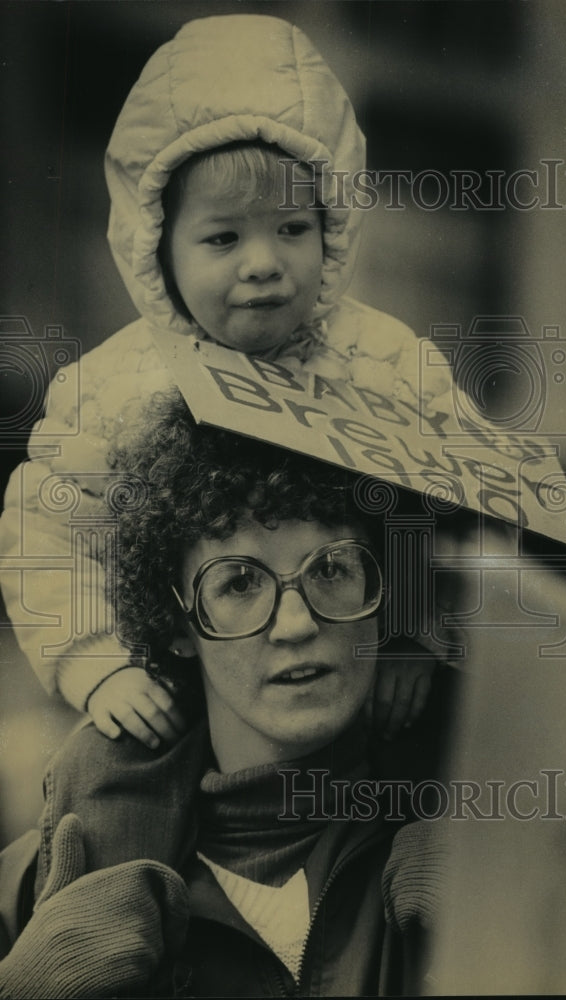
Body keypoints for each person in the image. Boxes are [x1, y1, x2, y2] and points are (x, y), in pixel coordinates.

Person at [0, 13, 452, 749]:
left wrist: (412, 634)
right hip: (173, 690)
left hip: (349, 676)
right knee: (113, 789)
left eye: (293, 229)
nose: (263, 263)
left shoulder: (384, 359)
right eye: (223, 238)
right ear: (156, 247)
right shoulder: (115, 388)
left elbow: (445, 506)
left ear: (333, 227)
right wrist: (95, 664)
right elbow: (44, 530)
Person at [0, 388, 459, 998]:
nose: (296, 624)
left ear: (384, 590)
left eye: (331, 568)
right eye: (239, 582)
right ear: (178, 625)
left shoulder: (474, 844)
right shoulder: (61, 872)